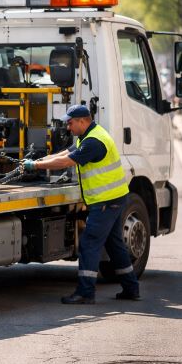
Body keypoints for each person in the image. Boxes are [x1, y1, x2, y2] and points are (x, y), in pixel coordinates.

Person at [23, 104, 140, 304]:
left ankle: (85, 293)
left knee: (89, 244)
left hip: (105, 201)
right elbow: (63, 154)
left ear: (83, 121)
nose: (68, 127)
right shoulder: (89, 136)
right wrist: (39, 160)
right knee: (114, 244)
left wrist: (36, 166)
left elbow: (66, 162)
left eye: (70, 123)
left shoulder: (93, 142)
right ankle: (131, 288)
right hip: (113, 199)